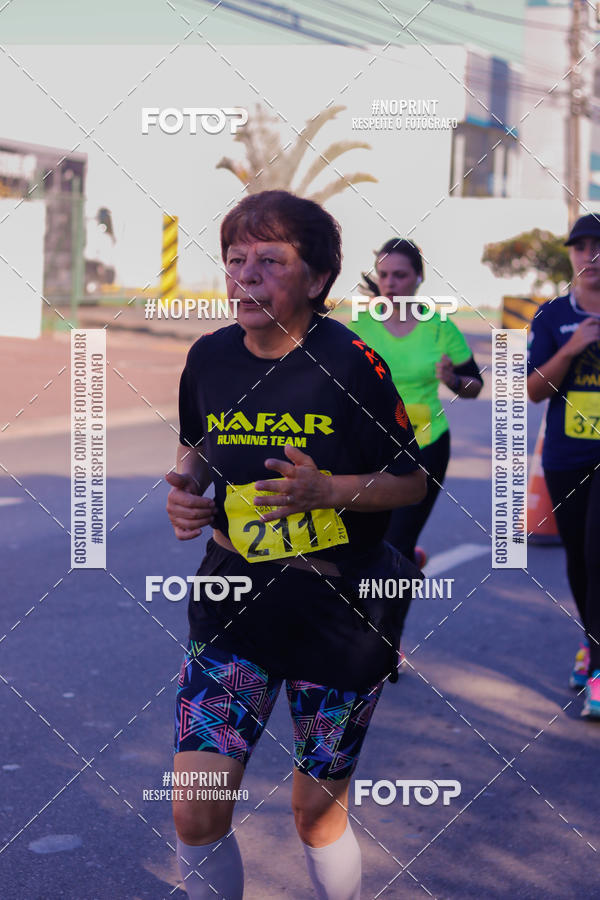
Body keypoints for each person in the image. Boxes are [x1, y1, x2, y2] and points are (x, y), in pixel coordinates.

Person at [165, 190, 427, 899]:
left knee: (314, 812)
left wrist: (329, 492)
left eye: (269, 261)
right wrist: (186, 487)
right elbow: (197, 442)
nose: (245, 275)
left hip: (338, 609)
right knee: (194, 806)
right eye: (235, 259)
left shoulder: (354, 366)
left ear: (316, 280)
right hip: (234, 596)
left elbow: (411, 483)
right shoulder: (210, 356)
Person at [351, 239, 483, 568]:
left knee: (396, 543)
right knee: (367, 543)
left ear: (418, 278)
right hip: (369, 451)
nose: (391, 283)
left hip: (426, 445)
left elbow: (474, 385)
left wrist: (453, 381)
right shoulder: (359, 327)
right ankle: (404, 567)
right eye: (384, 275)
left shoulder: (439, 326)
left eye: (400, 275)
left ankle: (390, 618)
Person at [527, 213, 600, 719]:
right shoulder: (552, 316)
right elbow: (533, 391)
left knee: (598, 556)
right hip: (566, 457)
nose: (591, 255)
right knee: (578, 558)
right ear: (571, 256)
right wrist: (573, 348)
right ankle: (590, 644)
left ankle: (598, 669)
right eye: (581, 247)